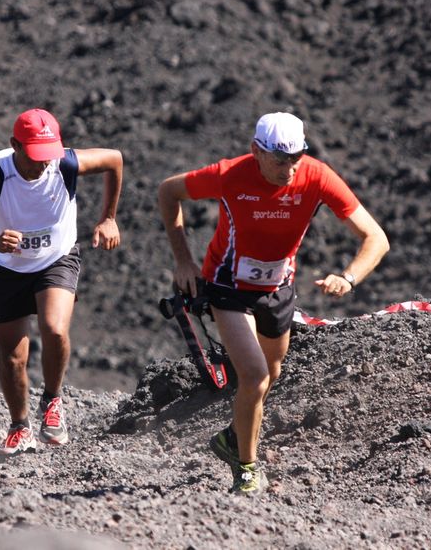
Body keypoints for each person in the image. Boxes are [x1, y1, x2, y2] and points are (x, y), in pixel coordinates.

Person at [157, 112, 389, 494]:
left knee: (272, 373)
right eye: (280, 161)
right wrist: (184, 260)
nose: (290, 169)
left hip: (278, 289)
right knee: (254, 375)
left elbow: (376, 238)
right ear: (256, 151)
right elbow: (169, 191)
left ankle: (232, 439)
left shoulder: (317, 175)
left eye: (296, 158)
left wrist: (348, 277)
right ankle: (246, 468)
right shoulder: (230, 174)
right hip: (228, 286)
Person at [0, 108, 123, 455]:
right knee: (14, 356)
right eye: (35, 157)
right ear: (15, 145)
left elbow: (114, 160)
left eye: (48, 156)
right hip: (7, 268)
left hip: (57, 258)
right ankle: (19, 426)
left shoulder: (66, 163)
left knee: (55, 329)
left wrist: (109, 218)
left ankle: (53, 401)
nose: (43, 164)